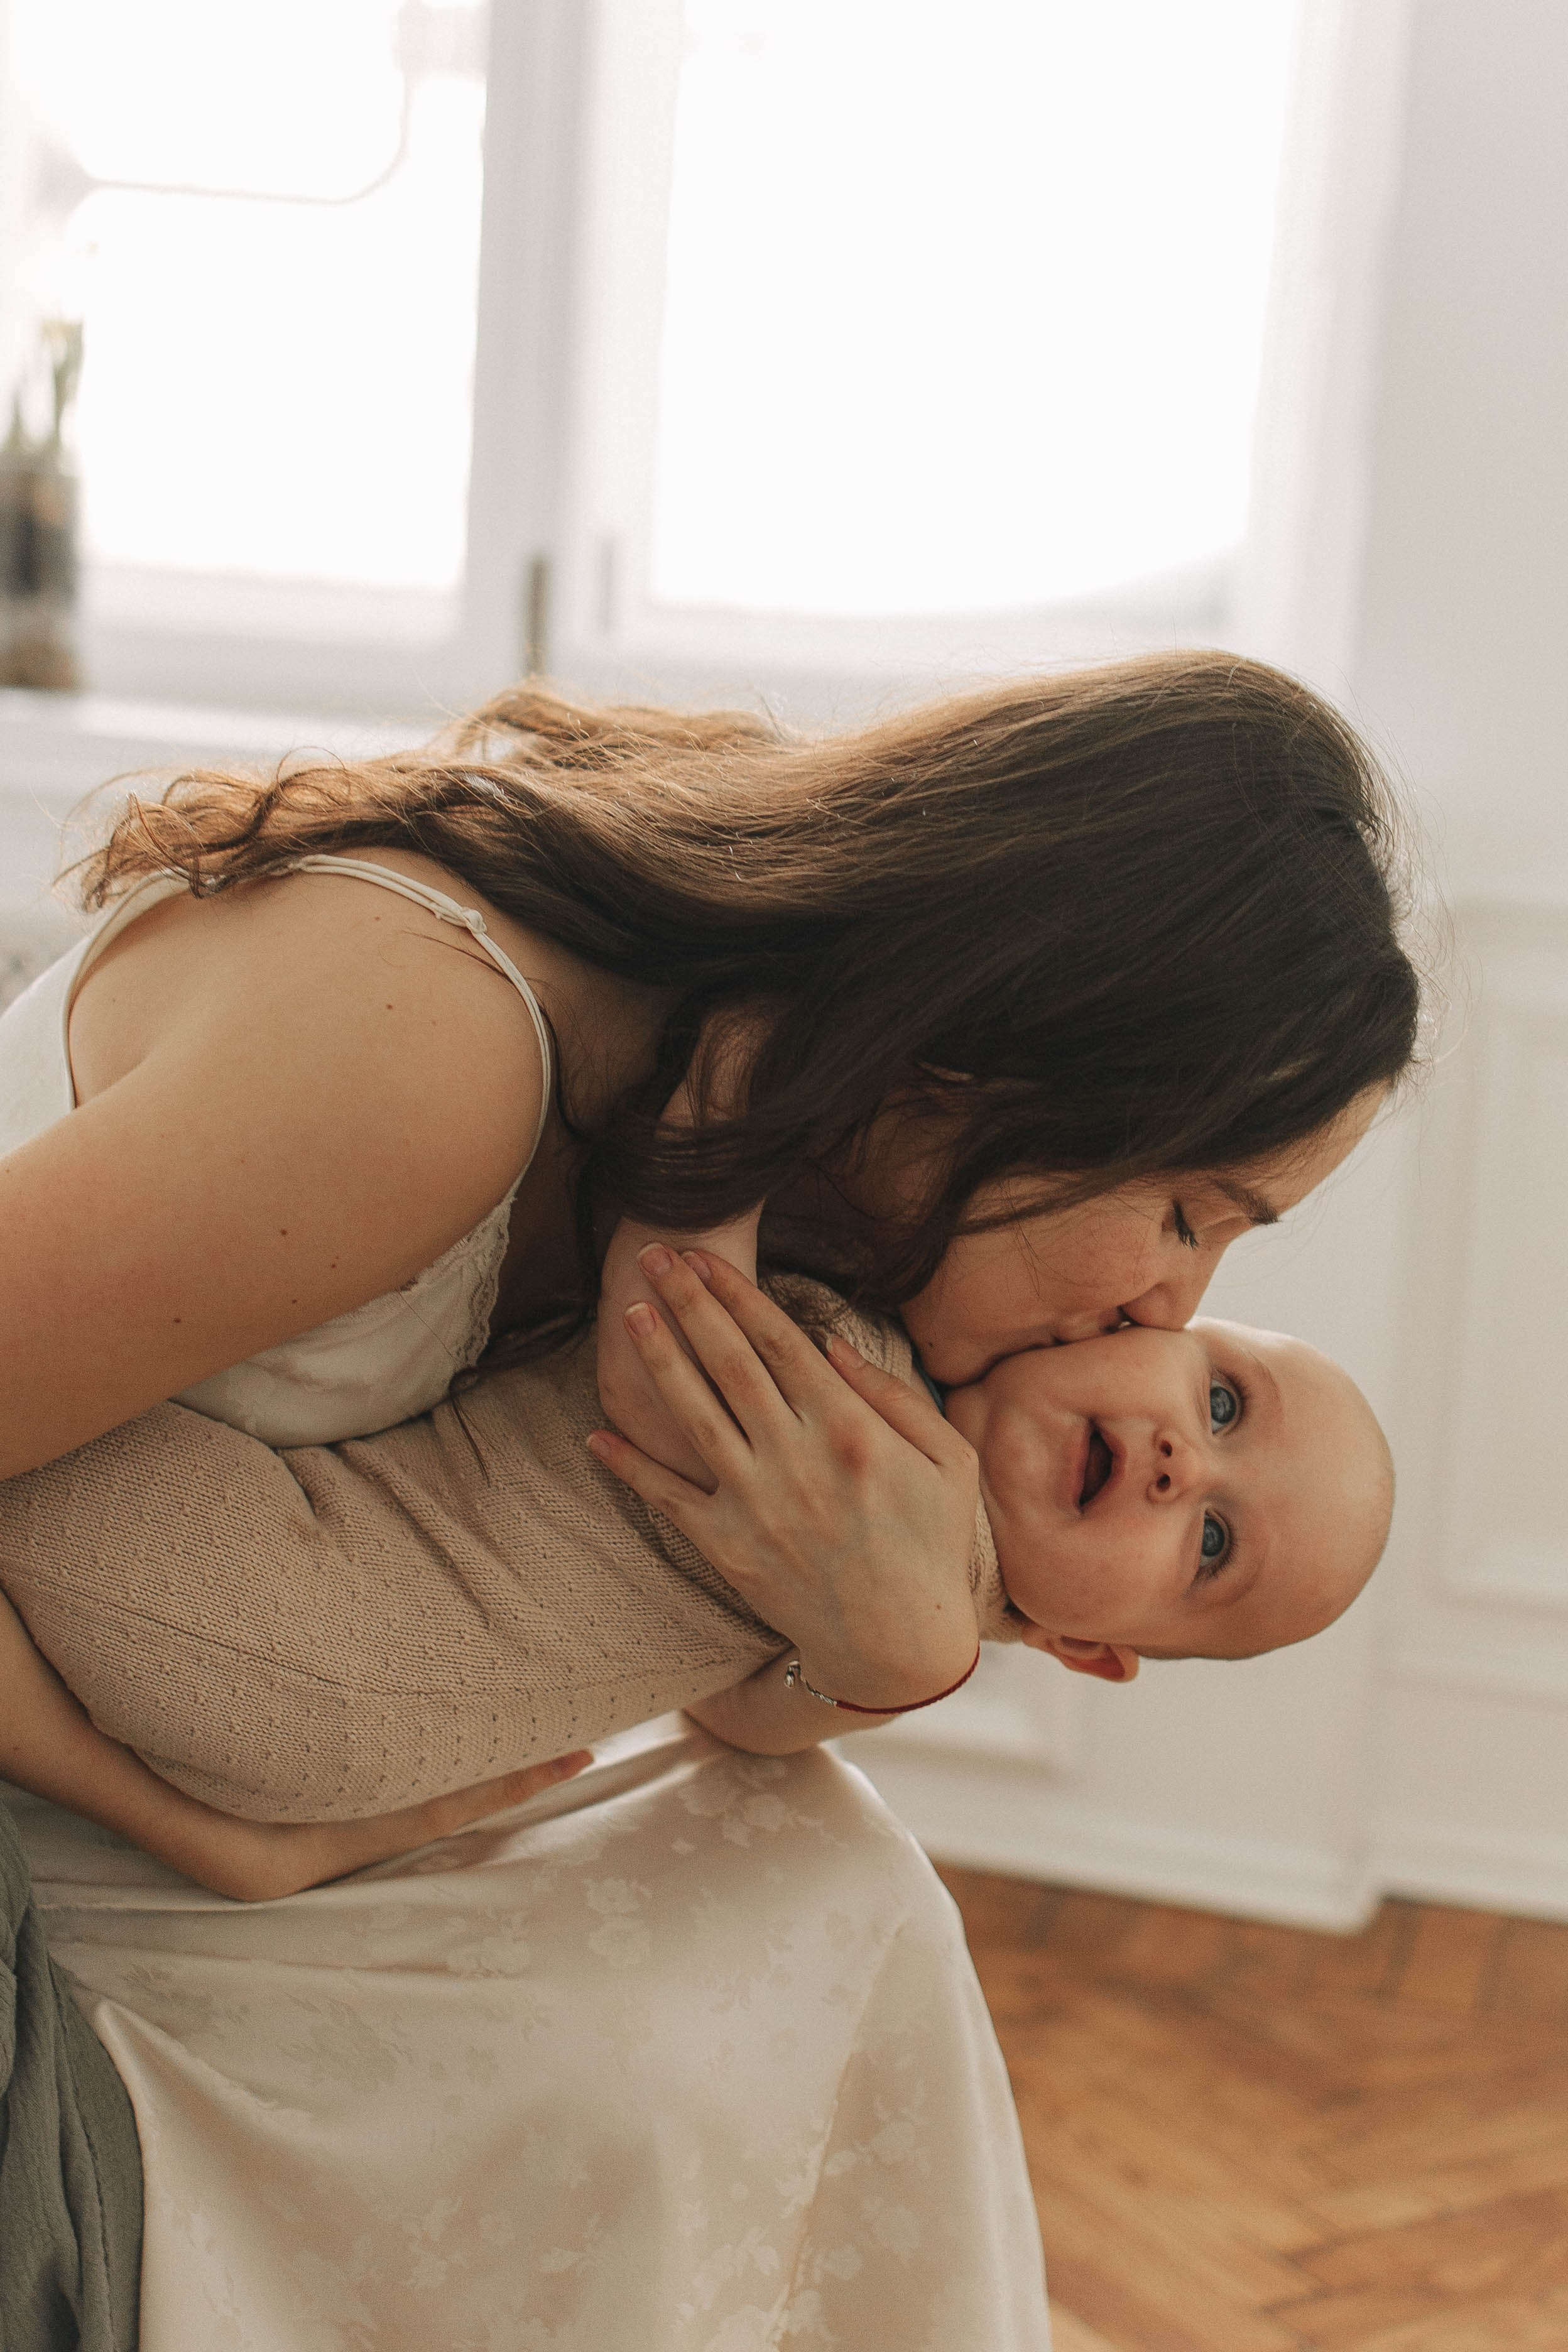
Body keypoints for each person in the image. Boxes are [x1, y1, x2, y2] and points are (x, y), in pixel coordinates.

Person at [0, 651, 1422, 2347]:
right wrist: (201, 1830)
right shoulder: (434, 1058)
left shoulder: (776, 1173)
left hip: (200, 1708)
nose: (1163, 1316)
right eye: (1197, 1215)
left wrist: (895, 1651)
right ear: (1020, 1053)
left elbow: (700, 1678)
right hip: (96, 1744)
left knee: (839, 1900)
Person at [0, 1264, 1391, 1848]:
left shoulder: (865, 1417)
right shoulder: (912, 1638)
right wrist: (891, 1667)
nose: (1179, 1465)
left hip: (284, 1626)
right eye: (1220, 1404)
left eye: (1211, 1540)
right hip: (319, 1721)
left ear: (1090, 1648)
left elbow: (686, 1281)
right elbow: (742, 1713)